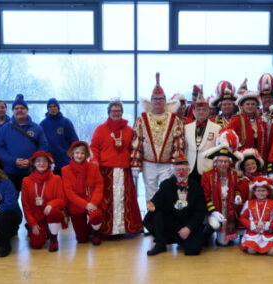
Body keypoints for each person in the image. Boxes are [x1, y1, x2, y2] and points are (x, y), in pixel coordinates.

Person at [90, 100, 143, 237]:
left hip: (124, 170)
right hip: (106, 171)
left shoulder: (129, 130)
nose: (116, 113)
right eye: (113, 111)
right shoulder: (100, 129)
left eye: (118, 111)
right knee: (107, 200)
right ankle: (105, 228)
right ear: (109, 112)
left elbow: (134, 148)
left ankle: (123, 229)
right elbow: (94, 147)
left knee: (124, 200)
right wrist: (94, 161)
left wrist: (136, 165)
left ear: (122, 112)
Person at [131, 73, 185, 202]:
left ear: (165, 101)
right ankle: (152, 221)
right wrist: (135, 164)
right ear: (151, 101)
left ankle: (166, 221)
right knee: (150, 194)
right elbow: (136, 142)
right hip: (148, 164)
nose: (158, 101)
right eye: (155, 99)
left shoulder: (174, 120)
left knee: (168, 193)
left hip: (167, 165)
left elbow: (179, 142)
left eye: (161, 99)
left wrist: (175, 163)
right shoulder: (142, 119)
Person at [143, 155, 206, 256]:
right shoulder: (166, 184)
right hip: (172, 223)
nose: (181, 173)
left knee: (193, 251)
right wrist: (153, 206)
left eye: (184, 170)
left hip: (187, 223)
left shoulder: (197, 187)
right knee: (156, 213)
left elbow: (200, 211)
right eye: (178, 170)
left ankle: (182, 240)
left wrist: (188, 228)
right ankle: (160, 244)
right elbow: (157, 199)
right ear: (174, 171)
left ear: (189, 170)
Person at [0, 94, 48, 192]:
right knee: (10, 203)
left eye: (22, 108)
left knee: (32, 201)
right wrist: (13, 161)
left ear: (27, 110)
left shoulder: (37, 128)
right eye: (16, 108)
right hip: (10, 172)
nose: (19, 110)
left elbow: (43, 146)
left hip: (31, 171)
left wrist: (31, 160)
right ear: (13, 111)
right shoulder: (5, 129)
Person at [201, 141, 249, 246]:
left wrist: (237, 196)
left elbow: (236, 188)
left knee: (223, 243)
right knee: (214, 224)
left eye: (226, 162)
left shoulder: (233, 173)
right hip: (213, 207)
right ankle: (203, 239)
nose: (223, 164)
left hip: (228, 207)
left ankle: (223, 235)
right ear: (216, 162)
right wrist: (213, 211)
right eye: (220, 161)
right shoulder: (207, 174)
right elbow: (205, 195)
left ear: (229, 162)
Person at [21, 151, 66, 252]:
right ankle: (44, 232)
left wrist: (51, 204)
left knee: (54, 211)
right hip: (37, 218)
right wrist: (32, 223)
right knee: (36, 245)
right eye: (38, 161)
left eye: (45, 161)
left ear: (49, 163)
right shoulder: (26, 181)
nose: (41, 163)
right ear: (34, 163)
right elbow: (25, 205)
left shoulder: (56, 178)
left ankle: (54, 238)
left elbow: (62, 200)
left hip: (50, 215)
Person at [62, 141, 104, 245]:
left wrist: (93, 202)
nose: (79, 155)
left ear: (86, 155)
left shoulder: (93, 167)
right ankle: (88, 229)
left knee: (96, 216)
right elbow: (69, 192)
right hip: (77, 205)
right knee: (81, 239)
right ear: (72, 154)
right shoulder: (65, 170)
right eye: (77, 153)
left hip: (92, 202)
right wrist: (85, 204)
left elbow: (99, 185)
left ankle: (95, 232)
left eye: (82, 153)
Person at [239, 176, 273, 256]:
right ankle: (259, 248)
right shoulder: (248, 203)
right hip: (253, 233)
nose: (261, 193)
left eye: (263, 190)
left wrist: (269, 225)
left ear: (268, 192)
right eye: (258, 191)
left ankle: (267, 248)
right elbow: (242, 218)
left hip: (268, 234)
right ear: (254, 192)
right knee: (251, 251)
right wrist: (252, 225)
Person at [185, 93, 221, 184]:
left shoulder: (217, 128)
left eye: (204, 110)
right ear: (194, 111)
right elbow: (185, 149)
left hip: (208, 168)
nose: (201, 112)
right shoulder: (186, 128)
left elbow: (218, 150)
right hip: (190, 168)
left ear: (208, 111)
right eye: (198, 109)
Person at [224, 90, 268, 161]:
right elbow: (225, 135)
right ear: (243, 106)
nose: (250, 106)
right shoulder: (237, 119)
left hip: (259, 157)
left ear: (256, 106)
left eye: (253, 104)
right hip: (242, 158)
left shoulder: (262, 121)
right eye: (247, 104)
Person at [40, 98, 79, 176]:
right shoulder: (43, 124)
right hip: (49, 163)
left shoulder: (66, 122)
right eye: (50, 107)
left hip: (65, 162)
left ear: (58, 108)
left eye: (54, 106)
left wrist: (75, 158)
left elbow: (74, 142)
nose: (52, 108)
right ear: (47, 109)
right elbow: (40, 143)